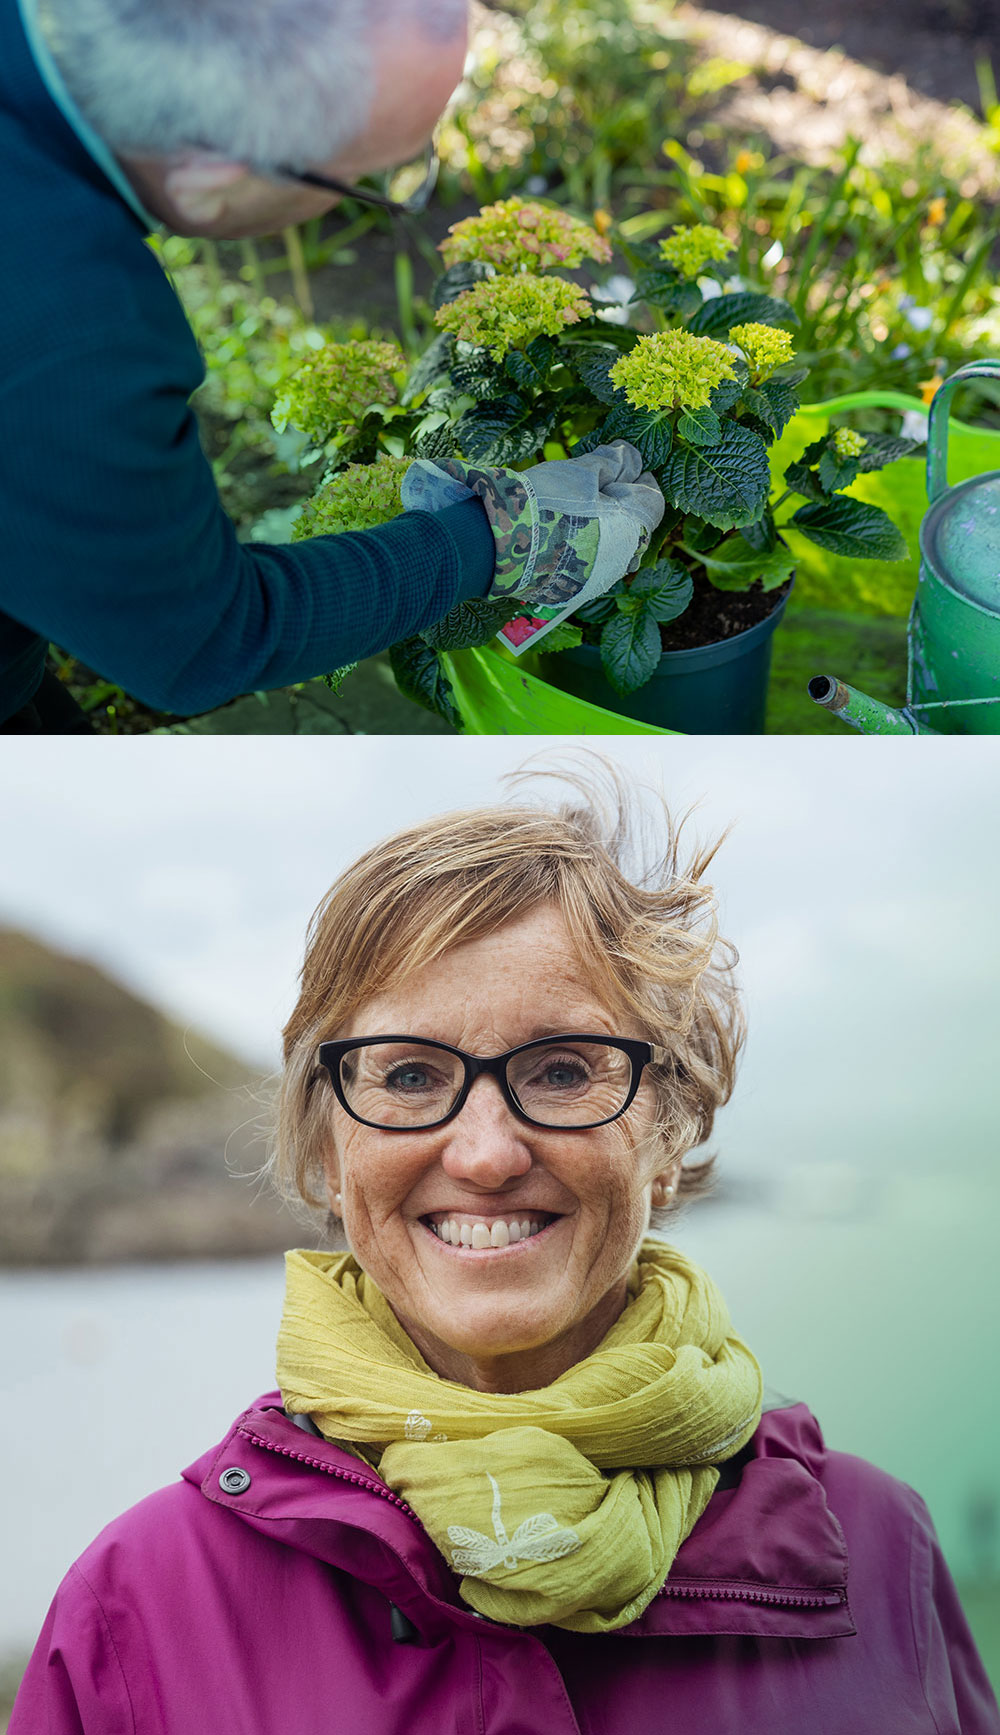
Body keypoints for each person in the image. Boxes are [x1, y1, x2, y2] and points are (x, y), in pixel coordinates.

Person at [11, 766, 1000, 1732]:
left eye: (564, 1067)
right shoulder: (137, 1607)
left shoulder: (880, 1552)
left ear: (668, 1130)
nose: (484, 1152)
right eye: (406, 1072)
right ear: (326, 1147)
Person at [0, 0, 663, 730]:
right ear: (212, 172)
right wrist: (503, 536)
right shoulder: (76, 336)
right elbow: (205, 641)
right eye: (371, 179)